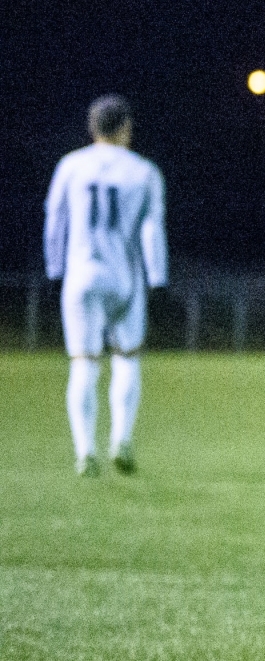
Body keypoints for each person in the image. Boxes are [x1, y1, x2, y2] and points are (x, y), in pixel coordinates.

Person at [44, 95, 167, 476]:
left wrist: (54, 270)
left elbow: (55, 219)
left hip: (82, 274)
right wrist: (157, 278)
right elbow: (151, 228)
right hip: (124, 277)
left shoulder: (71, 165)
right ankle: (122, 440)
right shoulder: (144, 171)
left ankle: (85, 452)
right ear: (126, 127)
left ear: (92, 127)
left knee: (83, 364)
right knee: (127, 359)